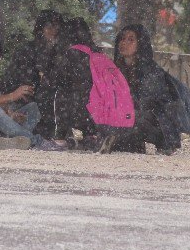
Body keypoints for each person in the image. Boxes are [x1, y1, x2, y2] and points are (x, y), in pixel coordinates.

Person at [49, 18, 134, 152]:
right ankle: (93, 139)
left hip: (84, 109)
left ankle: (60, 139)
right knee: (80, 96)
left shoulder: (72, 52)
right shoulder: (98, 54)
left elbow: (57, 81)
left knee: (61, 93)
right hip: (105, 112)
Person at [1, 9, 62, 138]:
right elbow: (23, 85)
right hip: (23, 101)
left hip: (48, 103)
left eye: (57, 27)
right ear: (40, 29)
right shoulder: (27, 51)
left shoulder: (59, 53)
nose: (54, 31)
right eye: (49, 27)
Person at [113, 24, 173, 153]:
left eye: (131, 40)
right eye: (122, 39)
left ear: (140, 44)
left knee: (132, 117)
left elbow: (148, 102)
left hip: (153, 117)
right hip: (127, 115)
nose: (124, 43)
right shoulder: (116, 68)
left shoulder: (150, 71)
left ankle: (162, 143)